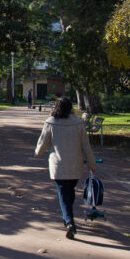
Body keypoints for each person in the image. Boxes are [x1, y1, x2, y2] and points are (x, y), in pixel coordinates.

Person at [34, 97, 96, 240]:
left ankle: (69, 222)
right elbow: (86, 146)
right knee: (69, 191)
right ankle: (68, 218)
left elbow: (43, 143)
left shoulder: (50, 123)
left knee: (63, 193)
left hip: (58, 165)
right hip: (75, 165)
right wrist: (92, 164)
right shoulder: (78, 123)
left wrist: (37, 152)